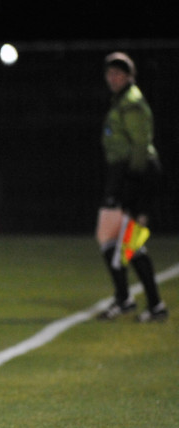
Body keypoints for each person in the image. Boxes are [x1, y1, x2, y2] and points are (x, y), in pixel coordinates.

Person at [95, 51, 167, 322]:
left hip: (136, 174)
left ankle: (150, 304)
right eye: (110, 73)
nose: (113, 78)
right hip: (124, 174)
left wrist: (132, 184)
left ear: (129, 76)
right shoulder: (121, 101)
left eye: (119, 73)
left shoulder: (132, 103)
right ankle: (129, 299)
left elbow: (139, 145)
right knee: (111, 238)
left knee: (128, 241)